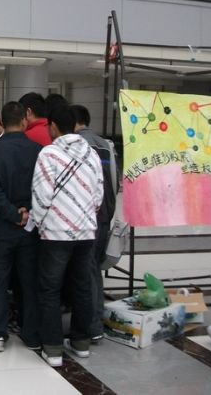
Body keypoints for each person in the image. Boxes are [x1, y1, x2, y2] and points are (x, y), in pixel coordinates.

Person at [29, 105, 103, 367]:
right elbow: (98, 195)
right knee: (82, 286)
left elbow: (41, 196)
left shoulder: (48, 153)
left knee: (50, 290)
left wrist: (39, 223)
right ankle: (81, 343)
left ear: (53, 126)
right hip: (86, 232)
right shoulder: (92, 154)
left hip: (56, 233)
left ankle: (53, 348)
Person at [0, 102, 42, 352]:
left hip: (0, 228)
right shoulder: (39, 151)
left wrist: (12, 215)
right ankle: (31, 333)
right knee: (29, 280)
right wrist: (27, 213)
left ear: (2, 122)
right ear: (25, 121)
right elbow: (43, 188)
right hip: (31, 228)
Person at [71, 104, 118, 342]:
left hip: (87, 217)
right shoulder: (106, 145)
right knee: (94, 271)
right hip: (104, 216)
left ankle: (92, 327)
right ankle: (94, 321)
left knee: (86, 272)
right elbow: (114, 182)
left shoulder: (78, 145)